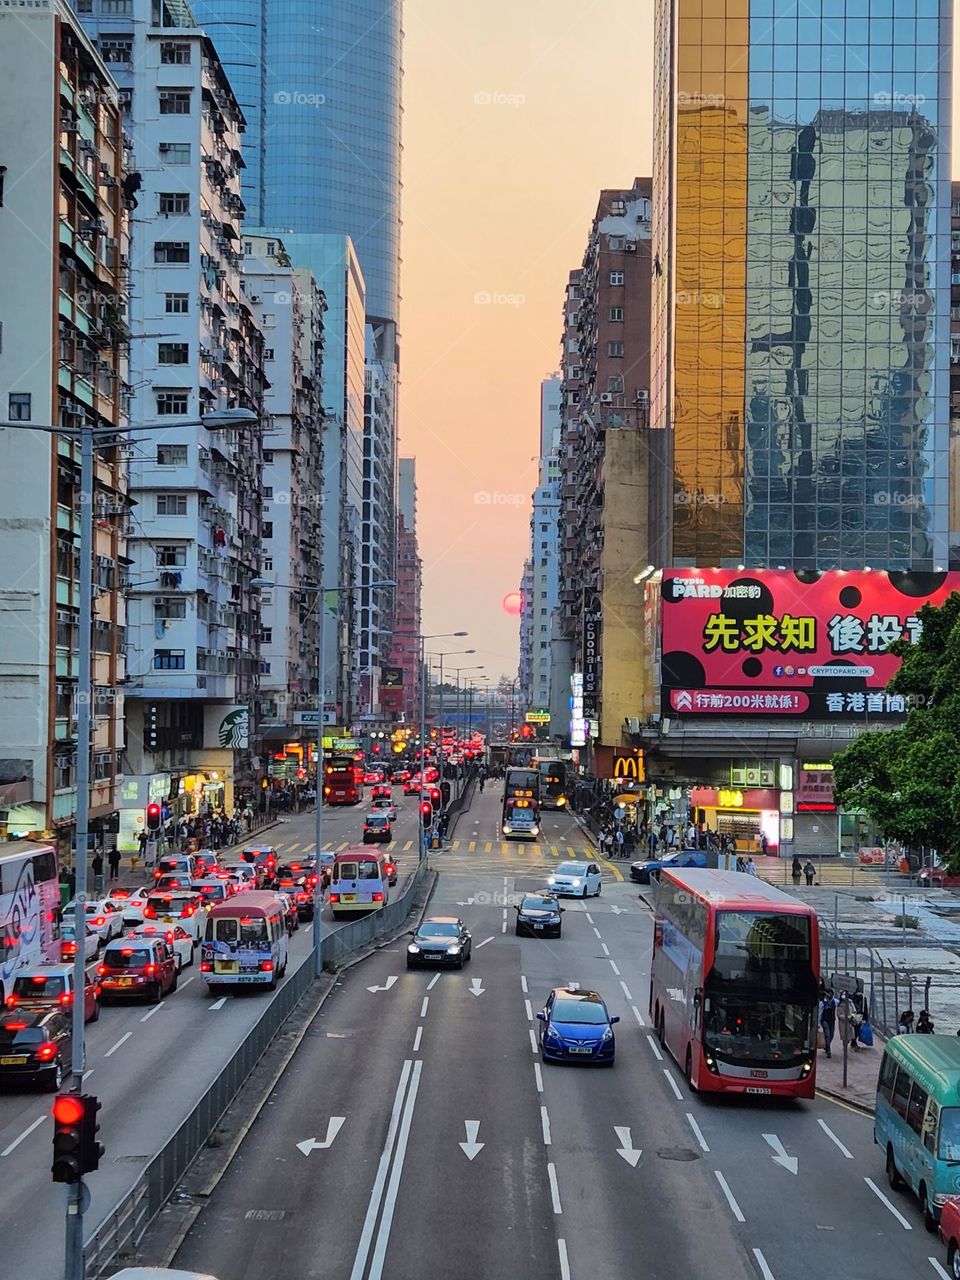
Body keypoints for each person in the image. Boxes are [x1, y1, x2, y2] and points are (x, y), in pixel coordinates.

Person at [819, 988, 838, 1058]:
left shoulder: (835, 1001)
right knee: (827, 1034)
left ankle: (827, 1045)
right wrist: (818, 1023)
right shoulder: (822, 1002)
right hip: (824, 1020)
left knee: (832, 1035)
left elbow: (841, 1003)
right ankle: (828, 1050)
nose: (829, 995)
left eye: (830, 993)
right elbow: (820, 1013)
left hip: (832, 1020)